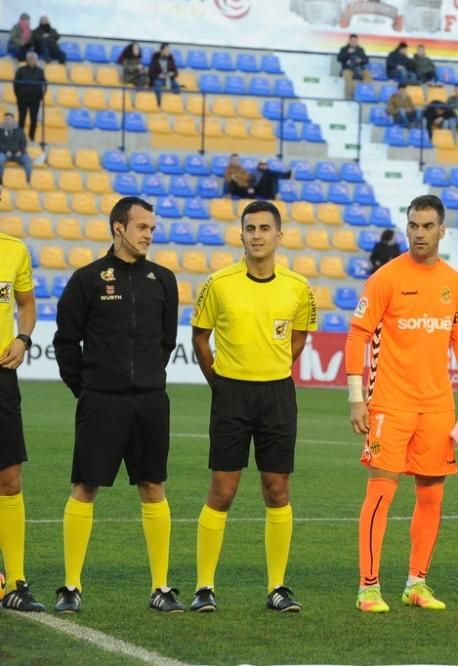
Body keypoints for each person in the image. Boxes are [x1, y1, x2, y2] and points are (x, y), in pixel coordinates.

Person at [345, 194, 458, 614]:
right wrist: (357, 399)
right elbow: (357, 335)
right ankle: (368, 586)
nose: (419, 233)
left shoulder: (454, 282)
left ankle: (416, 583)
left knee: (431, 497)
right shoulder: (385, 278)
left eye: (428, 226)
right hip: (390, 404)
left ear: (442, 230)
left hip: (437, 406)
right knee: (380, 494)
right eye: (413, 225)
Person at [52, 196, 182, 614]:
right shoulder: (87, 279)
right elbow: (66, 343)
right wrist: (88, 389)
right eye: (142, 227)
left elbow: (165, 341)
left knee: (153, 487)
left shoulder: (163, 279)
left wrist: (143, 378)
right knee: (85, 487)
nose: (149, 234)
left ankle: (161, 587)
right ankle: (71, 586)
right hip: (100, 402)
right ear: (118, 228)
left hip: (150, 402)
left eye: (152, 228)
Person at [189, 200, 317, 613]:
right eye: (250, 228)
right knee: (222, 490)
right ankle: (204, 586)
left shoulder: (298, 287)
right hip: (232, 395)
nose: (257, 235)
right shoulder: (218, 283)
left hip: (277, 395)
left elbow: (299, 338)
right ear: (240, 234)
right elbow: (199, 340)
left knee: (276, 490)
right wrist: (222, 384)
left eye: (265, 228)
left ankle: (278, 587)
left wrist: (274, 365)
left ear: (279, 236)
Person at [0, 195, 44, 612]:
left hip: (1, 377)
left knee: (10, 478)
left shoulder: (14, 250)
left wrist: (23, 337)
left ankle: (15, 582)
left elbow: (27, 306)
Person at [13, 51, 45, 142]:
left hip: (35, 99)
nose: (31, 60)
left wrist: (41, 96)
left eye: (33, 59)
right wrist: (18, 95)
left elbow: (44, 84)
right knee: (21, 118)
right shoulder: (20, 70)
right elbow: (15, 83)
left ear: (36, 60)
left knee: (34, 119)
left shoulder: (40, 71)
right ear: (26, 60)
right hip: (22, 98)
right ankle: (20, 138)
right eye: (29, 58)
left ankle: (31, 137)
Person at [337, 34, 372, 100]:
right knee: (347, 75)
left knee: (368, 74)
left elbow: (366, 60)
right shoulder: (344, 49)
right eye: (352, 40)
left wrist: (361, 61)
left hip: (359, 69)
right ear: (349, 41)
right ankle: (351, 95)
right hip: (348, 69)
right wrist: (347, 53)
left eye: (355, 41)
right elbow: (339, 59)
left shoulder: (360, 49)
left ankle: (362, 92)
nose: (353, 42)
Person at [0, 113, 32, 185]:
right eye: (6, 119)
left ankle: (28, 179)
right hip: (5, 153)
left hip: (18, 153)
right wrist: (5, 151)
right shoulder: (0, 131)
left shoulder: (19, 130)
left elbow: (24, 143)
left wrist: (20, 151)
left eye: (9, 119)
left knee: (27, 161)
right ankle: (0, 179)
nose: (7, 120)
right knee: (0, 159)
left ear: (13, 120)